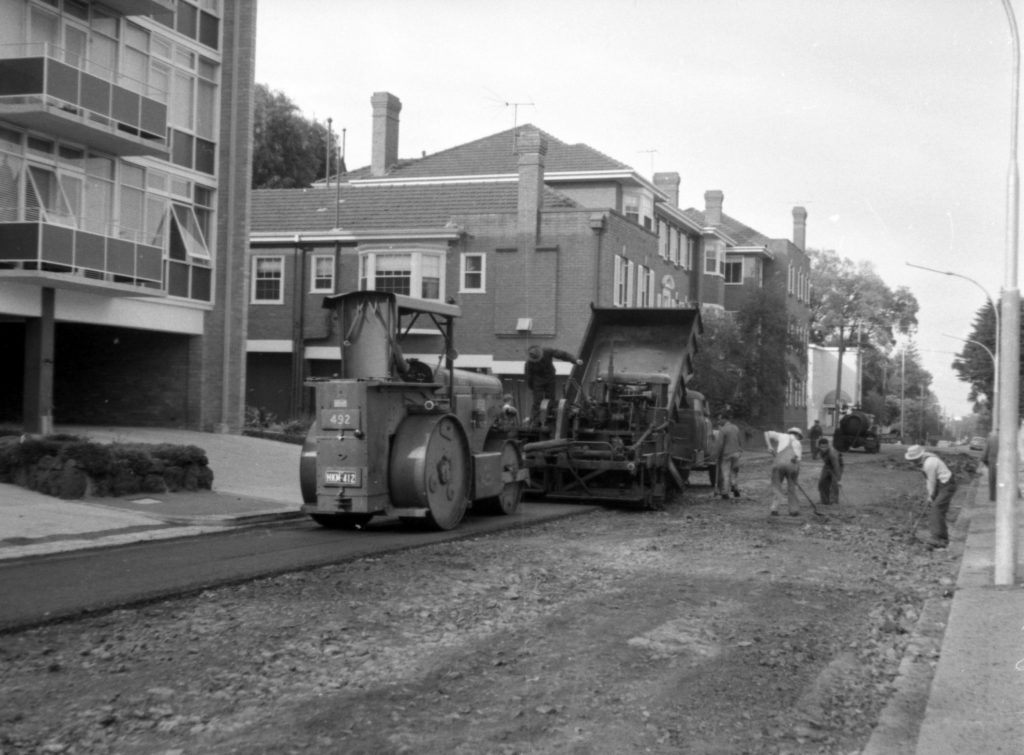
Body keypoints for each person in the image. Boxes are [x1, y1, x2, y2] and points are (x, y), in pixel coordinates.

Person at [905, 444, 957, 549]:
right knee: (938, 510)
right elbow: (929, 480)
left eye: (914, 459)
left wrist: (930, 496)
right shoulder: (925, 461)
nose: (912, 462)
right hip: (941, 484)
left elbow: (931, 482)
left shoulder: (929, 463)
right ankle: (941, 537)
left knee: (936, 508)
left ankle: (938, 538)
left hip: (947, 485)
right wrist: (931, 494)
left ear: (919, 456)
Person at [524, 345, 583, 426]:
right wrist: (532, 387)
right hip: (537, 381)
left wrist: (575, 360)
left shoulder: (547, 351)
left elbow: (562, 355)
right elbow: (528, 376)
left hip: (550, 378)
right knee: (537, 402)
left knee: (551, 400)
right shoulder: (529, 363)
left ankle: (550, 421)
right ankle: (535, 422)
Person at [764, 427, 804, 516]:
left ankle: (774, 509)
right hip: (792, 465)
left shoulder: (781, 436)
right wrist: (795, 477)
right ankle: (793, 510)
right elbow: (798, 460)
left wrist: (769, 446)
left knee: (777, 486)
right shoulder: (798, 443)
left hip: (778, 464)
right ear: (797, 435)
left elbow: (766, 433)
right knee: (791, 488)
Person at [715, 416, 743, 500]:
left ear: (725, 419)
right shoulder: (736, 428)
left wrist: (717, 456)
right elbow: (740, 441)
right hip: (736, 453)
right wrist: (739, 451)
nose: (719, 421)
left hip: (726, 454)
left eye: (720, 419)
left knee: (725, 474)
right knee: (734, 472)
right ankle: (735, 486)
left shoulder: (723, 430)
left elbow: (720, 445)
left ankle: (725, 493)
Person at [817, 437, 843, 506]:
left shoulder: (832, 453)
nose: (824, 448)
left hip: (837, 466)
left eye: (825, 447)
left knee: (834, 484)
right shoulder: (819, 450)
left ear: (828, 445)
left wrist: (839, 479)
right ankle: (825, 501)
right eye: (822, 447)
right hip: (827, 465)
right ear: (819, 446)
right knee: (822, 483)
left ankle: (834, 501)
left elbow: (836, 466)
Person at [980, 429, 998, 503]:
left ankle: (993, 497)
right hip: (1005, 464)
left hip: (993, 463)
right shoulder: (1008, 437)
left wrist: (985, 462)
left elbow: (985, 453)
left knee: (992, 480)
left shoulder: (991, 439)